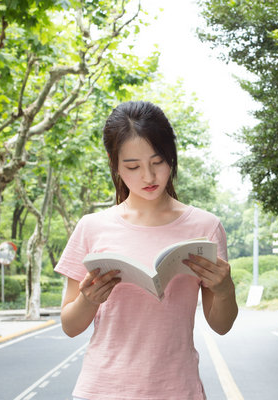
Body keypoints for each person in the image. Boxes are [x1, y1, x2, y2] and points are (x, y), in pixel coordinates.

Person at [55, 101, 238, 400]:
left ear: (172, 157)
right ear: (115, 165)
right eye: (133, 167)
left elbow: (221, 326)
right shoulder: (92, 227)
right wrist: (88, 300)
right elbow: (70, 326)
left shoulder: (205, 226)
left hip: (178, 390)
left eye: (158, 162)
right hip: (102, 390)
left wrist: (225, 289)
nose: (149, 177)